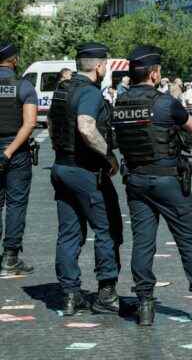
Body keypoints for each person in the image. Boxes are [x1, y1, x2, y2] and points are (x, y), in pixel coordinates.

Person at [113, 45, 192, 326]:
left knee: (143, 242)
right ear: (153, 73)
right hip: (168, 179)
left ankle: (145, 305)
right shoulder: (164, 102)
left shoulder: (121, 103)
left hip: (136, 180)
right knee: (188, 238)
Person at [47, 42, 122, 315]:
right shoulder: (89, 92)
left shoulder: (62, 90)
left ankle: (69, 295)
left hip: (61, 167)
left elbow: (52, 125)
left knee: (69, 233)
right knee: (106, 230)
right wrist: (109, 157)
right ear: (100, 66)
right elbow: (87, 128)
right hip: (85, 171)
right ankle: (106, 293)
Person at [0, 42, 36, 277]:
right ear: (14, 60)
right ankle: (10, 258)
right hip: (16, 152)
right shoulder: (23, 86)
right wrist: (9, 151)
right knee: (15, 204)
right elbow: (30, 123)